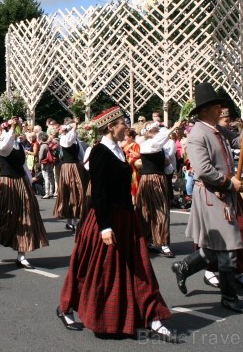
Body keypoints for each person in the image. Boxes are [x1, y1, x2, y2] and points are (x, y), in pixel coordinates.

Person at [57, 107, 177, 342]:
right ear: (111, 127)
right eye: (122, 122)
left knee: (139, 267)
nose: (126, 126)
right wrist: (105, 227)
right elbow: (99, 194)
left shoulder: (118, 150)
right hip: (107, 218)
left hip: (125, 217)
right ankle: (66, 308)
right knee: (90, 269)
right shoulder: (101, 152)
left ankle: (152, 316)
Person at [171, 83, 243, 314]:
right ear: (207, 109)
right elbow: (203, 169)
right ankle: (229, 297)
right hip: (212, 194)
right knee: (227, 245)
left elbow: (240, 141)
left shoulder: (217, 129)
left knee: (218, 245)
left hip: (222, 194)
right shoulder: (198, 134)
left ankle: (184, 266)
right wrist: (229, 182)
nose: (221, 110)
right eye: (218, 106)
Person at [0, 117, 48, 269]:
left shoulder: (18, 146)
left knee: (26, 216)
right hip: (7, 183)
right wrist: (11, 129)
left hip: (21, 182)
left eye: (17, 128)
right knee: (6, 216)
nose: (17, 130)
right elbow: (4, 148)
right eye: (13, 128)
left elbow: (23, 166)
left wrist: (31, 182)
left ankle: (21, 256)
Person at [135, 121, 182, 258]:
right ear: (148, 133)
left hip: (160, 179)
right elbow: (157, 143)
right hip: (149, 180)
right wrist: (173, 126)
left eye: (157, 130)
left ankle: (162, 242)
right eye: (154, 130)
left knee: (161, 211)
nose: (158, 132)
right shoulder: (147, 144)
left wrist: (166, 162)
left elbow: (168, 167)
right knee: (146, 210)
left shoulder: (159, 147)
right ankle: (147, 240)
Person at [53, 118, 89, 232]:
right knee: (69, 193)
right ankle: (70, 221)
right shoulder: (64, 139)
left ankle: (73, 221)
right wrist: (74, 127)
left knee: (77, 193)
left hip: (75, 167)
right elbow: (68, 141)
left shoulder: (76, 140)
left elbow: (81, 154)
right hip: (68, 168)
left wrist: (84, 163)